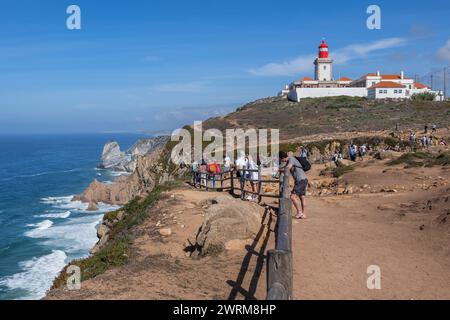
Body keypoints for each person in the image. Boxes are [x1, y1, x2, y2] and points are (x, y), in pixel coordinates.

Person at [279, 151, 308, 219]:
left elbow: (288, 168)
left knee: (292, 196)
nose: (281, 161)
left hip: (300, 180)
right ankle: (304, 214)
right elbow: (285, 168)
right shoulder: (290, 160)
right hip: (303, 179)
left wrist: (281, 170)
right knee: (302, 197)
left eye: (281, 159)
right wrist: (279, 170)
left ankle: (299, 212)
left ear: (282, 157)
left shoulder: (291, 159)